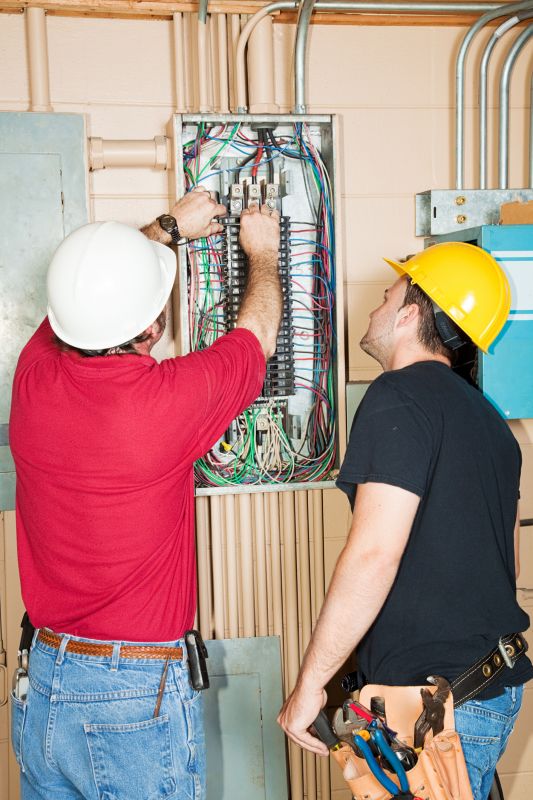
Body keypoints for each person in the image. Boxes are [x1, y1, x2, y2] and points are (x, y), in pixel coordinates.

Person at [9, 186, 282, 800]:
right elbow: (258, 334)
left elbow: (83, 298)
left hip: (43, 681)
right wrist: (262, 253)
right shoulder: (163, 406)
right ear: (154, 323)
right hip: (131, 695)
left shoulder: (33, 378)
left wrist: (166, 227)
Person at [278, 242, 533, 800]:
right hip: (485, 687)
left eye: (387, 295)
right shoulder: (493, 425)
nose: (374, 309)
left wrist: (310, 686)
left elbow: (374, 555)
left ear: (412, 312)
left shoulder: (398, 395)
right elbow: (502, 563)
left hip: (439, 706)